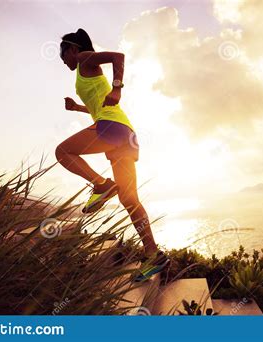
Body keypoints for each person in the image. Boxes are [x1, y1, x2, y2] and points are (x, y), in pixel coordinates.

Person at [55, 28, 169, 281]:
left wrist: (117, 88)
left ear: (73, 49)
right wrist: (77, 108)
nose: (62, 59)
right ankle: (153, 256)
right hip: (123, 133)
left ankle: (101, 185)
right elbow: (100, 108)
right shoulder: (84, 72)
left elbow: (118, 56)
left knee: (63, 151)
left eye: (63, 53)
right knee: (129, 199)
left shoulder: (84, 57)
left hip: (112, 128)